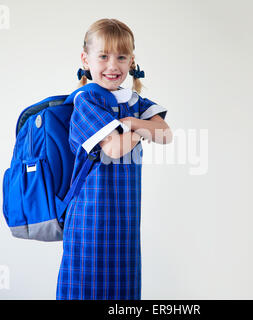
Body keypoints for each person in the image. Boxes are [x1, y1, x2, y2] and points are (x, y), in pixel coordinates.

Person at [56, 18, 173, 300]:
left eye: (121, 57)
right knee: (86, 287)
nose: (113, 65)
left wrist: (130, 121)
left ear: (132, 61)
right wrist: (141, 127)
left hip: (124, 218)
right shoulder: (86, 100)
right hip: (91, 217)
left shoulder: (133, 102)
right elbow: (114, 149)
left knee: (122, 290)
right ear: (85, 59)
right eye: (104, 56)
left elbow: (166, 134)